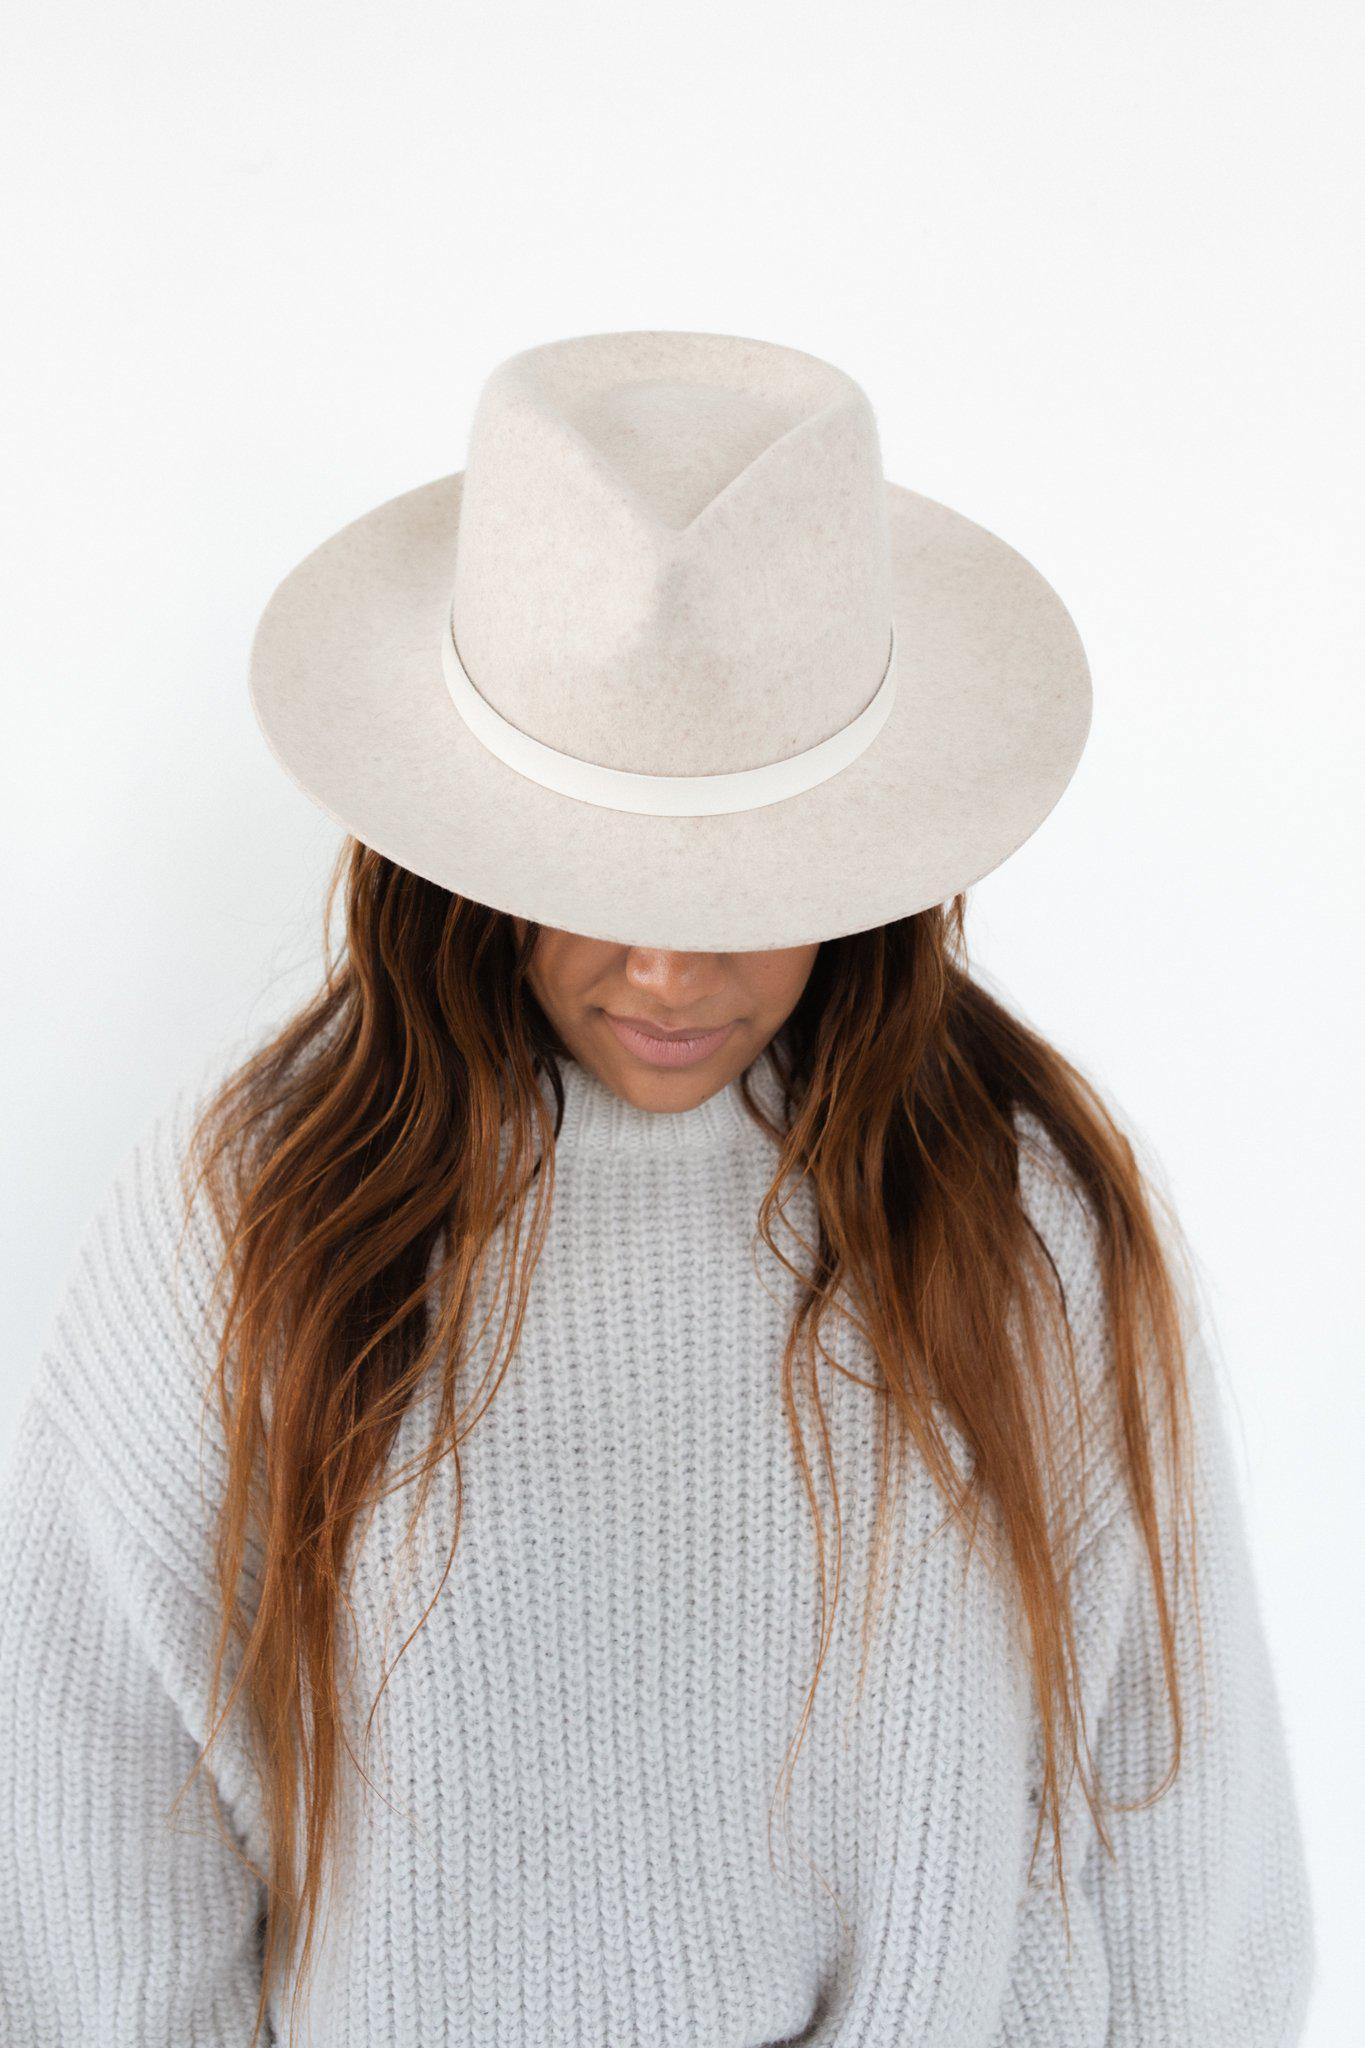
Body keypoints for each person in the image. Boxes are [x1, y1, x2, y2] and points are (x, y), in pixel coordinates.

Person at [0, 331, 1314, 2047]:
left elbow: (1173, 1812)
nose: (669, 969)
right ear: (454, 857)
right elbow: (100, 1807)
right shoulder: (260, 1214)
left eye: (751, 879)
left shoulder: (1020, 1214)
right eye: (591, 877)